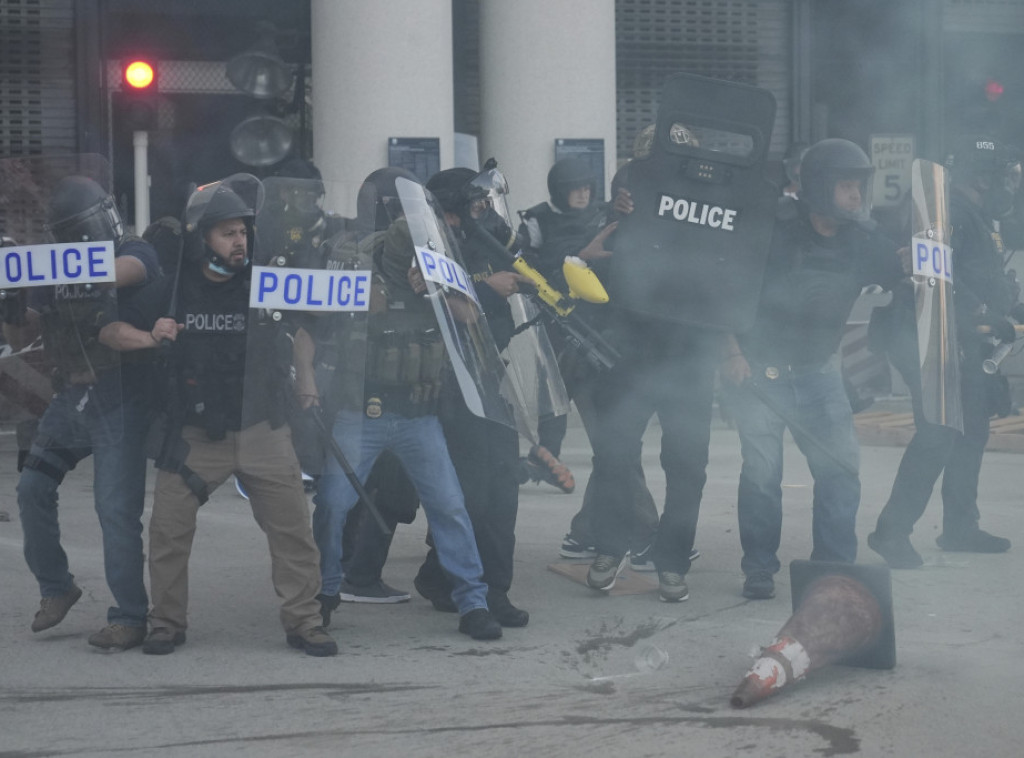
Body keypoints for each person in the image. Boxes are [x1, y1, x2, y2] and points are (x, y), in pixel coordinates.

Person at [106, 174, 337, 656]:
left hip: (262, 427)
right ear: (201, 237)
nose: (241, 240)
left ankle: (305, 622)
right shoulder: (170, 292)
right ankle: (166, 623)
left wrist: (306, 374)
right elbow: (108, 330)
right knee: (168, 534)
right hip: (192, 436)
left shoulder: (267, 284)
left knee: (294, 531)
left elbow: (307, 324)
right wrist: (152, 337)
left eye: (244, 231)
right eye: (228, 232)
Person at [308, 167, 503, 641]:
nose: (417, 266)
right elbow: (317, 320)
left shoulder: (437, 267)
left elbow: (472, 315)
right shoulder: (360, 270)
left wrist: (435, 290)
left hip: (419, 414)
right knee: (333, 505)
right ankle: (325, 591)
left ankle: (472, 601)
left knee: (450, 507)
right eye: (411, 262)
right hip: (363, 411)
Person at [719, 138, 905, 599]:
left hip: (820, 374)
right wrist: (731, 355)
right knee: (762, 477)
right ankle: (759, 569)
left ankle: (834, 570)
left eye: (859, 187)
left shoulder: (863, 241)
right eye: (847, 187)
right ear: (821, 187)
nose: (857, 197)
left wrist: (934, 247)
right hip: (759, 373)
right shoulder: (771, 230)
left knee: (841, 473)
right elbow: (725, 291)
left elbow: (905, 266)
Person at [4, 174, 161, 650]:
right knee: (32, 489)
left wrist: (48, 267)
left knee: (114, 510)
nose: (74, 242)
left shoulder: (137, 249)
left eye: (77, 231)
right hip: (71, 399)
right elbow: (21, 339)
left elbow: (124, 271)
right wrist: (13, 305)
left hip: (121, 400)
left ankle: (130, 616)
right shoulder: (57, 267)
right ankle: (56, 587)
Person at [868, 136, 1020, 568]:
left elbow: (977, 276)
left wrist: (1006, 306)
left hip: (963, 341)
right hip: (925, 337)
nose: (1011, 187)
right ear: (982, 177)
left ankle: (960, 527)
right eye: (1007, 177)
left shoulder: (978, 217)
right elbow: (937, 276)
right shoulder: (944, 212)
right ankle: (891, 532)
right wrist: (983, 311)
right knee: (939, 431)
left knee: (972, 429)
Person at [514, 156, 611, 494]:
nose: (582, 195)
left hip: (597, 321)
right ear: (560, 191)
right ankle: (546, 454)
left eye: (586, 188)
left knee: (592, 396)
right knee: (555, 390)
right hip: (555, 318)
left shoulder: (603, 217)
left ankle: (555, 456)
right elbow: (523, 265)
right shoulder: (537, 220)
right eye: (575, 190)